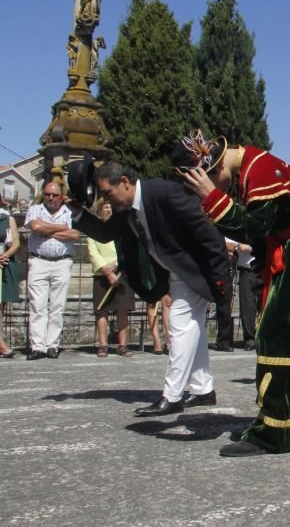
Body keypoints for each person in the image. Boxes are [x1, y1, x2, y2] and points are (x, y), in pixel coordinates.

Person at [176, 131, 290, 456]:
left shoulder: (259, 170)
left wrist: (211, 197)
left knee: (280, 335)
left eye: (213, 180)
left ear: (215, 168)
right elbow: (267, 227)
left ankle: (281, 430)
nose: (221, 187)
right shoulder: (257, 164)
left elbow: (253, 227)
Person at [71, 161, 230, 416]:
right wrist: (77, 213)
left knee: (179, 327)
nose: (106, 199)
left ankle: (173, 395)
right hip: (177, 274)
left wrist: (221, 277)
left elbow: (207, 233)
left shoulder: (166, 193)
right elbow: (104, 233)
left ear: (124, 182)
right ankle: (202, 390)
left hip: (196, 271)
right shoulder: (127, 206)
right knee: (192, 329)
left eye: (107, 193)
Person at [25, 182, 79, 359]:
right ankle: (38, 346)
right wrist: (63, 228)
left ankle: (52, 345)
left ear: (61, 196)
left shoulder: (69, 212)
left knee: (58, 306)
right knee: (38, 305)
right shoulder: (35, 209)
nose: (51, 198)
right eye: (48, 194)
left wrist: (46, 229)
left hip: (62, 262)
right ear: (43, 194)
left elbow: (75, 235)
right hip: (38, 260)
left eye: (55, 195)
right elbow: (35, 227)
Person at [87, 200, 134, 357]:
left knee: (122, 309)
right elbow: (93, 252)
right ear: (100, 210)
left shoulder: (123, 227)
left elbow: (129, 248)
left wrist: (117, 264)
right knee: (102, 311)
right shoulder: (94, 228)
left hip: (121, 273)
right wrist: (107, 272)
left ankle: (123, 345)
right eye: (106, 207)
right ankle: (103, 345)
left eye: (112, 207)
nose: (110, 210)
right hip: (102, 274)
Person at [0, 198, 22, 358]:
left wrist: (4, 255)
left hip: (4, 263)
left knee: (0, 307)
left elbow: (16, 242)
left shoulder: (8, 218)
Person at [233, 239, 260, 350]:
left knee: (266, 305)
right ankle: (250, 339)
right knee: (247, 307)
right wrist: (238, 246)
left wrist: (247, 247)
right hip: (246, 271)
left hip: (262, 269)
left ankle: (263, 337)